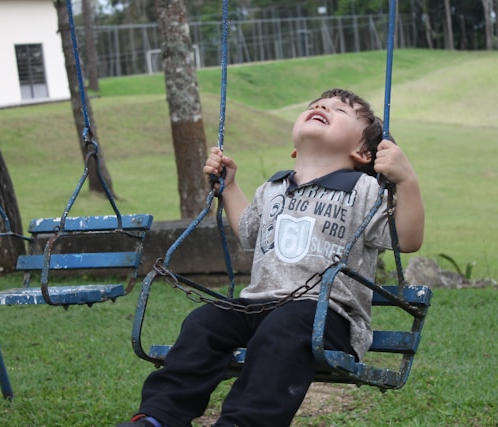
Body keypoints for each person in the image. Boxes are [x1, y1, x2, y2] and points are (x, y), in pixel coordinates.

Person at [117, 88, 424, 427]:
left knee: (286, 325)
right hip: (258, 307)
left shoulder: (363, 191)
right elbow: (249, 232)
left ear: (363, 153)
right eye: (317, 105)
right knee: (205, 321)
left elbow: (407, 239)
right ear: (294, 147)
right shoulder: (273, 189)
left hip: (327, 316)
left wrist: (406, 179)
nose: (322, 106)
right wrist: (230, 188)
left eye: (340, 110)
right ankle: (159, 417)